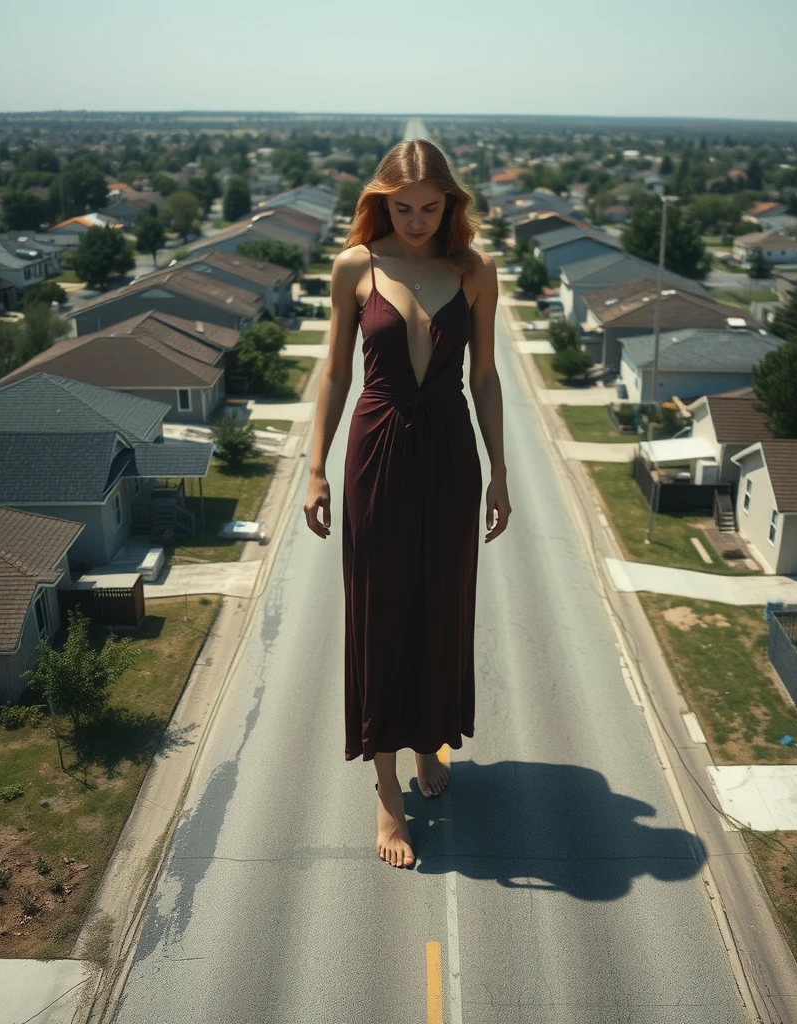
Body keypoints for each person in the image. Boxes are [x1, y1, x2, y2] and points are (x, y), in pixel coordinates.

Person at [303, 139, 511, 868]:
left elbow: (484, 377)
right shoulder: (355, 267)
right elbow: (333, 373)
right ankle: (388, 797)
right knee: (381, 617)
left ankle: (430, 749)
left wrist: (500, 471)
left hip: (451, 456)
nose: (417, 220)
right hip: (378, 455)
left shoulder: (474, 270)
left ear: (450, 202)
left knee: (443, 609)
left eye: (430, 207)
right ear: (380, 202)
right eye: (402, 207)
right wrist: (316, 470)